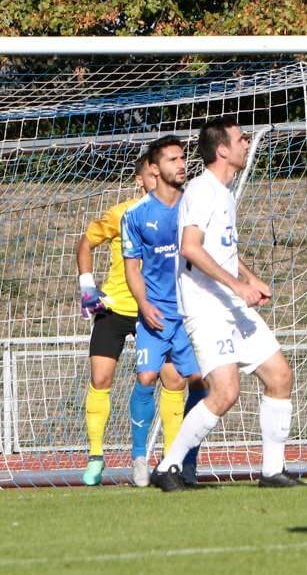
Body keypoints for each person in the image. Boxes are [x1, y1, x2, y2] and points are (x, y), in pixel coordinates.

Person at [150, 118, 302, 491]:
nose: (247, 143)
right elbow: (190, 248)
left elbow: (220, 249)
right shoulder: (202, 190)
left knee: (280, 375)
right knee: (225, 392)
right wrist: (237, 284)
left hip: (230, 303)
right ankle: (168, 466)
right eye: (241, 139)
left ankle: (272, 471)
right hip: (206, 307)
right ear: (222, 150)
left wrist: (248, 279)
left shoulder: (223, 192)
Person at [121, 137, 205, 487]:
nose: (181, 163)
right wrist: (144, 305)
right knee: (146, 378)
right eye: (173, 159)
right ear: (154, 169)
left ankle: (186, 462)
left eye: (183, 157)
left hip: (192, 312)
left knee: (202, 384)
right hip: (155, 313)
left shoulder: (195, 206)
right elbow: (132, 268)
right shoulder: (137, 215)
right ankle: (140, 457)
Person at [77, 153, 162, 486]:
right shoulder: (120, 213)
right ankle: (96, 457)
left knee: (163, 380)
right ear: (140, 180)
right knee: (100, 379)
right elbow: (85, 243)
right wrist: (88, 287)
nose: (158, 179)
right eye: (151, 175)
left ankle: (163, 457)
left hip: (152, 310)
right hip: (114, 308)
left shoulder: (175, 213)